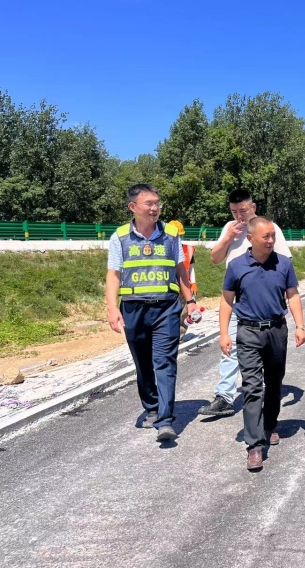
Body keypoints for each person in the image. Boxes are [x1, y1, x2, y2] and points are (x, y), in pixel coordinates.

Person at [105, 184, 198, 442]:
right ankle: (152, 407)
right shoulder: (120, 237)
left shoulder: (171, 234)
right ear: (132, 207)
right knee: (143, 363)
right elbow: (113, 274)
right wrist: (112, 308)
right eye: (149, 203)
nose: (155, 208)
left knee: (165, 361)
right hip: (133, 308)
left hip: (166, 307)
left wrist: (190, 301)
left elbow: (180, 270)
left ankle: (165, 420)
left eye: (157, 203)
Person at [219, 217, 305, 471]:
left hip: (277, 330)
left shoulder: (284, 263)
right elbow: (226, 301)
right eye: (265, 236)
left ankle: (270, 425)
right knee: (252, 387)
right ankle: (254, 445)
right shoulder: (236, 266)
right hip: (248, 332)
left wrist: (300, 325)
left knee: (275, 382)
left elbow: (292, 295)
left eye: (272, 236)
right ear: (250, 238)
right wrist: (224, 334)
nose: (270, 241)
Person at [199, 189, 292, 419]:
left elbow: (284, 263)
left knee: (267, 356)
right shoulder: (230, 228)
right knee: (229, 348)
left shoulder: (270, 229)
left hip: (262, 299)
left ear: (253, 207)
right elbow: (214, 258)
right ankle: (225, 396)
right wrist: (228, 237)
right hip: (236, 298)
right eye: (234, 212)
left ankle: (264, 393)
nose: (239, 216)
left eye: (243, 210)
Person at [168, 219, 199, 339]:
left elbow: (191, 268)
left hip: (185, 286)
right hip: (171, 287)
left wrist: (194, 283)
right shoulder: (163, 250)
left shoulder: (188, 249)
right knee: (171, 313)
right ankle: (169, 336)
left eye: (179, 235)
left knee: (185, 312)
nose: (177, 238)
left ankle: (179, 335)